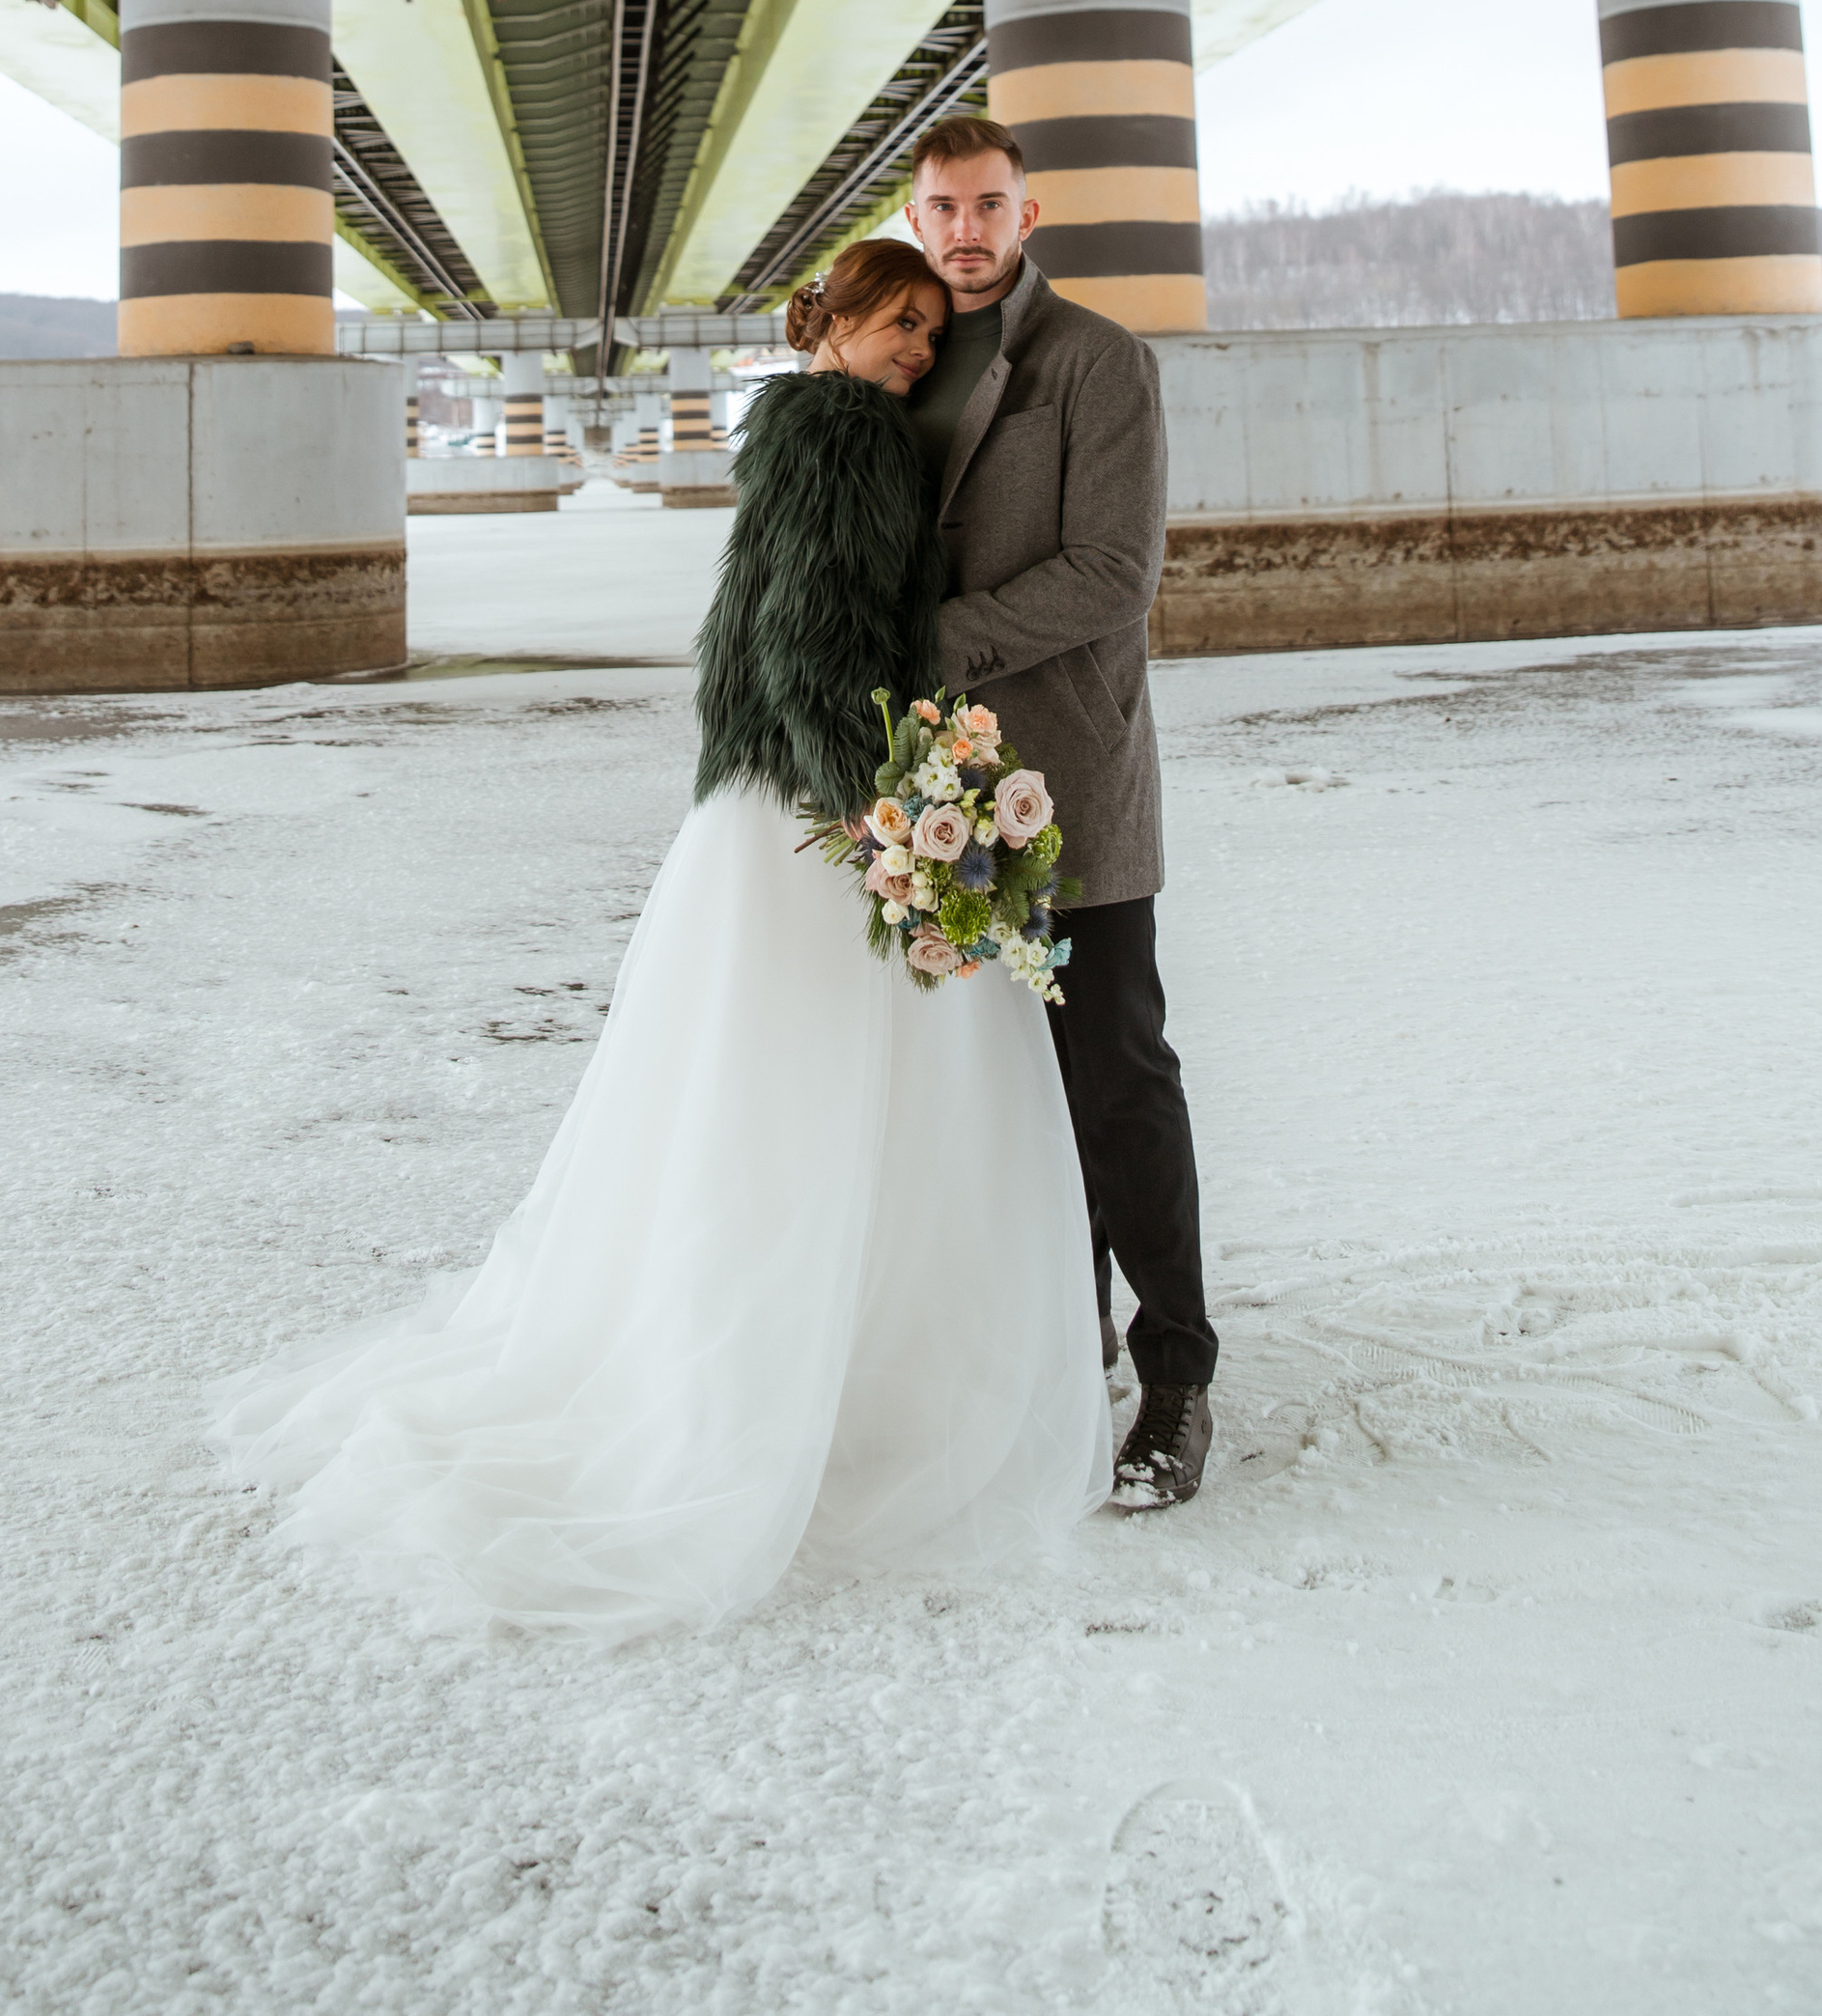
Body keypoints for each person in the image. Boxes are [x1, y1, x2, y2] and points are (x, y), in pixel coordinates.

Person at [210, 235, 1109, 1633]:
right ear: (845, 321)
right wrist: (878, 813)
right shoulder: (853, 442)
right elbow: (814, 649)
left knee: (744, 1115)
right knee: (837, 1104)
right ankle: (853, 1383)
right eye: (903, 325)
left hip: (758, 815)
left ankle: (765, 1355)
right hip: (819, 808)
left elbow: (766, 638)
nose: (920, 352)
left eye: (934, 334)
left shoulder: (801, 432)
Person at [901, 114, 1220, 1510]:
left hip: (1070, 782)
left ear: (1031, 214)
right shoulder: (900, 360)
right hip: (934, 796)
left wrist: (934, 636)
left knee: (1116, 1082)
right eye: (940, 208)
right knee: (996, 1095)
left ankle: (1180, 1374)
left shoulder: (1098, 362)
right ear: (914, 219)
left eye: (987, 205)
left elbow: (1111, 572)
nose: (964, 230)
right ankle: (1057, 1346)